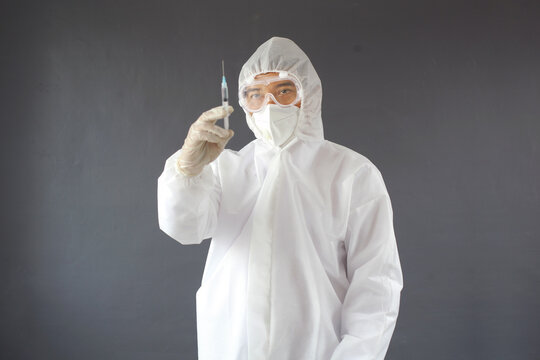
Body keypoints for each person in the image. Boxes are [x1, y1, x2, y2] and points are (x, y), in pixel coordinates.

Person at [157, 37, 403, 360]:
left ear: (308, 96)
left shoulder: (352, 175)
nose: (269, 105)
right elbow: (183, 227)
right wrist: (185, 171)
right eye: (256, 95)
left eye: (284, 91)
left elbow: (376, 289)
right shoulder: (225, 169)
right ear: (243, 102)